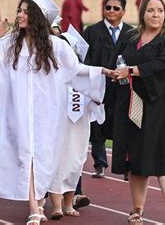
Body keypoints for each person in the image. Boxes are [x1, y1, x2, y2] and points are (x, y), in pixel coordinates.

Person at [0, 0, 113, 225]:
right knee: (28, 156)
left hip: (48, 114)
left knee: (44, 158)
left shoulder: (57, 47)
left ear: (38, 18)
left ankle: (39, 201)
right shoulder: (10, 45)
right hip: (18, 112)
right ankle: (34, 207)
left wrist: (104, 71)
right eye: (19, 10)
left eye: (25, 12)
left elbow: (76, 71)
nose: (20, 15)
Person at [112, 0, 165, 225]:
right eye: (150, 10)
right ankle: (137, 210)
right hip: (135, 106)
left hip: (164, 107)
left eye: (159, 10)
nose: (155, 14)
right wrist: (117, 72)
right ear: (142, 14)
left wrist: (133, 70)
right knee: (137, 156)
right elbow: (119, 62)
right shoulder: (131, 39)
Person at [48, 25, 105, 220]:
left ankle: (68, 203)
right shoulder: (50, 72)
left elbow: (96, 107)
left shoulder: (85, 74)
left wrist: (96, 101)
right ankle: (55, 204)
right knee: (56, 162)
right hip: (56, 125)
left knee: (75, 162)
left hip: (78, 125)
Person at [83, 0, 133, 179]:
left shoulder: (131, 33)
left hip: (121, 87)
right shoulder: (92, 31)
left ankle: (127, 165)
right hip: (98, 86)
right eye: (108, 7)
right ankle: (100, 164)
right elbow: (84, 57)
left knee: (123, 125)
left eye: (115, 8)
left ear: (123, 11)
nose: (111, 11)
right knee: (97, 126)